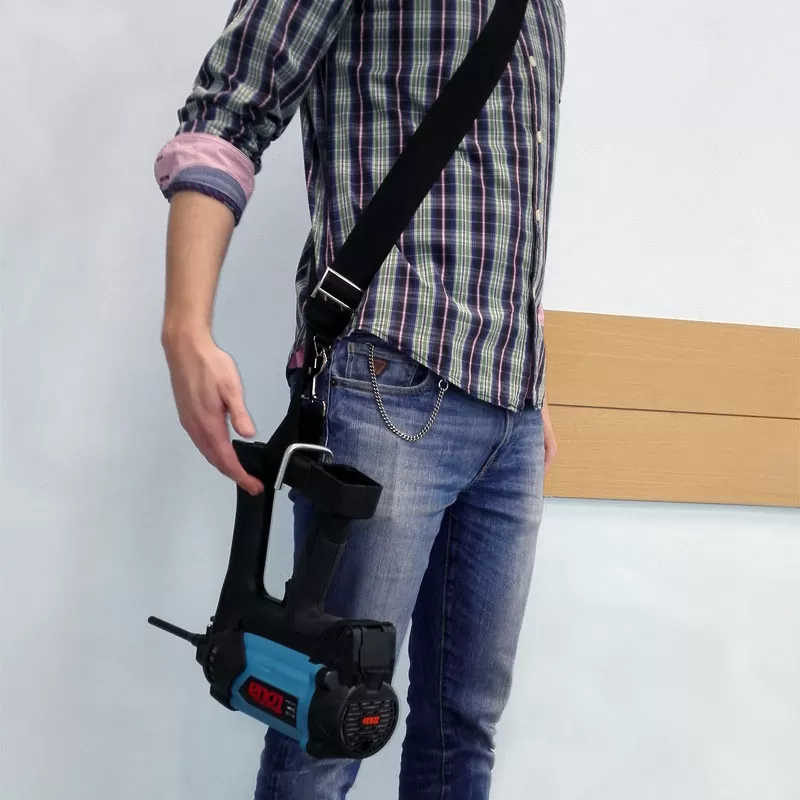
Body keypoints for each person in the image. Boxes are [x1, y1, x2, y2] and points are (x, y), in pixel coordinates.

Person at [154, 0, 565, 796]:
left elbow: (508, 192)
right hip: (391, 379)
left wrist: (529, 364)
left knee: (464, 729)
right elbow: (231, 106)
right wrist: (185, 325)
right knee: (325, 724)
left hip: (512, 403)